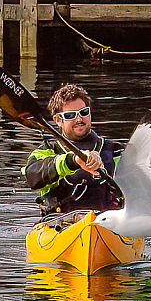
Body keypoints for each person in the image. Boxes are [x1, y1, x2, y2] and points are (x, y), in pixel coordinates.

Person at [23, 83, 124, 216]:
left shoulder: (115, 152)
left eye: (84, 112)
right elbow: (32, 177)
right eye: (71, 115)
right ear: (58, 120)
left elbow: (149, 181)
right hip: (60, 226)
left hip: (108, 227)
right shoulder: (47, 151)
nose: (79, 119)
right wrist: (72, 161)